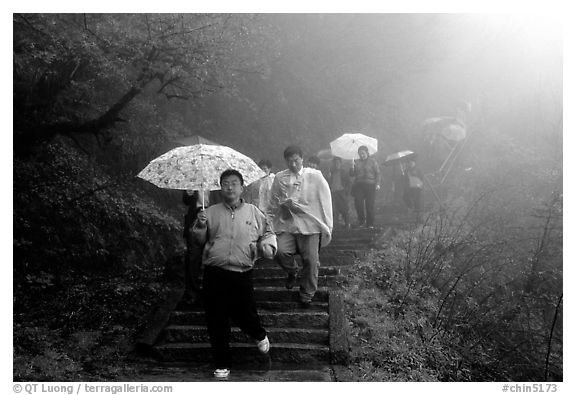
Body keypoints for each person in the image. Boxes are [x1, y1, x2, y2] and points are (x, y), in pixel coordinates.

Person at [192, 169, 277, 379]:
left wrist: (267, 246)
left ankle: (258, 334)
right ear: (220, 187)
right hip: (215, 271)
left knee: (245, 313)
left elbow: (267, 233)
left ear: (241, 187)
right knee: (216, 318)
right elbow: (198, 240)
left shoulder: (253, 211)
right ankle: (222, 363)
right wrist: (200, 226)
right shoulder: (209, 211)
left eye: (234, 183)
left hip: (242, 271)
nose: (229, 187)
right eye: (225, 183)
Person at [267, 146, 333, 308]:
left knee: (311, 260)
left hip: (310, 225)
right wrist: (282, 206)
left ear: (302, 159)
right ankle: (292, 271)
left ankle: (306, 293)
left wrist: (326, 224)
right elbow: (273, 201)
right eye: (290, 161)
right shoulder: (280, 178)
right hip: (287, 224)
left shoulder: (315, 176)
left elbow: (324, 200)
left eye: (296, 160)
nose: (293, 164)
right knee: (278, 250)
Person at [182, 189, 222, 305]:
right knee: (193, 258)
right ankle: (192, 293)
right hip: (195, 221)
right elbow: (186, 201)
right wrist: (188, 193)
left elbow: (223, 200)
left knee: (214, 257)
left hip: (214, 219)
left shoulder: (217, 181)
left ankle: (211, 292)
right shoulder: (191, 179)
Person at [350, 145, 381, 228]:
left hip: (370, 185)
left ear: (367, 153)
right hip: (359, 185)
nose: (361, 155)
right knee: (358, 203)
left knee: (369, 205)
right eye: (360, 153)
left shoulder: (373, 161)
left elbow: (377, 173)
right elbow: (352, 175)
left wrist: (378, 183)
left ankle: (370, 223)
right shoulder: (356, 162)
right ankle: (361, 220)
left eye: (363, 153)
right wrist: (352, 167)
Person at [328, 156, 351, 230]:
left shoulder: (344, 172)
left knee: (344, 209)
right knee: (335, 210)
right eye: (335, 163)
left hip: (342, 192)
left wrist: (346, 191)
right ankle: (336, 225)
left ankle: (347, 224)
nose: (336, 164)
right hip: (333, 192)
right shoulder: (331, 172)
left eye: (338, 163)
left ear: (341, 163)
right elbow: (328, 183)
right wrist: (328, 177)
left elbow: (349, 183)